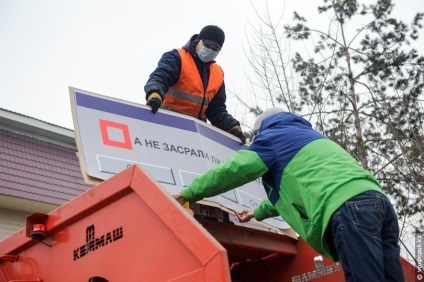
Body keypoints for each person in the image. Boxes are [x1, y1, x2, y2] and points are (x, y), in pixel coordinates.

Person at [172, 108, 404, 281]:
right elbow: (294, 190)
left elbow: (232, 171)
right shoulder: (310, 137)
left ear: (260, 130)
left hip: (348, 208)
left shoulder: (271, 138)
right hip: (379, 203)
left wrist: (188, 193)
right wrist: (256, 212)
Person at [144, 25, 246, 143]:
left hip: (195, 135)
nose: (210, 51)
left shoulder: (217, 73)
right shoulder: (177, 57)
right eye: (207, 46)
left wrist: (232, 128)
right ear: (198, 41)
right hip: (167, 124)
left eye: (215, 49)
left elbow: (216, 110)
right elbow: (160, 78)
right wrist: (155, 93)